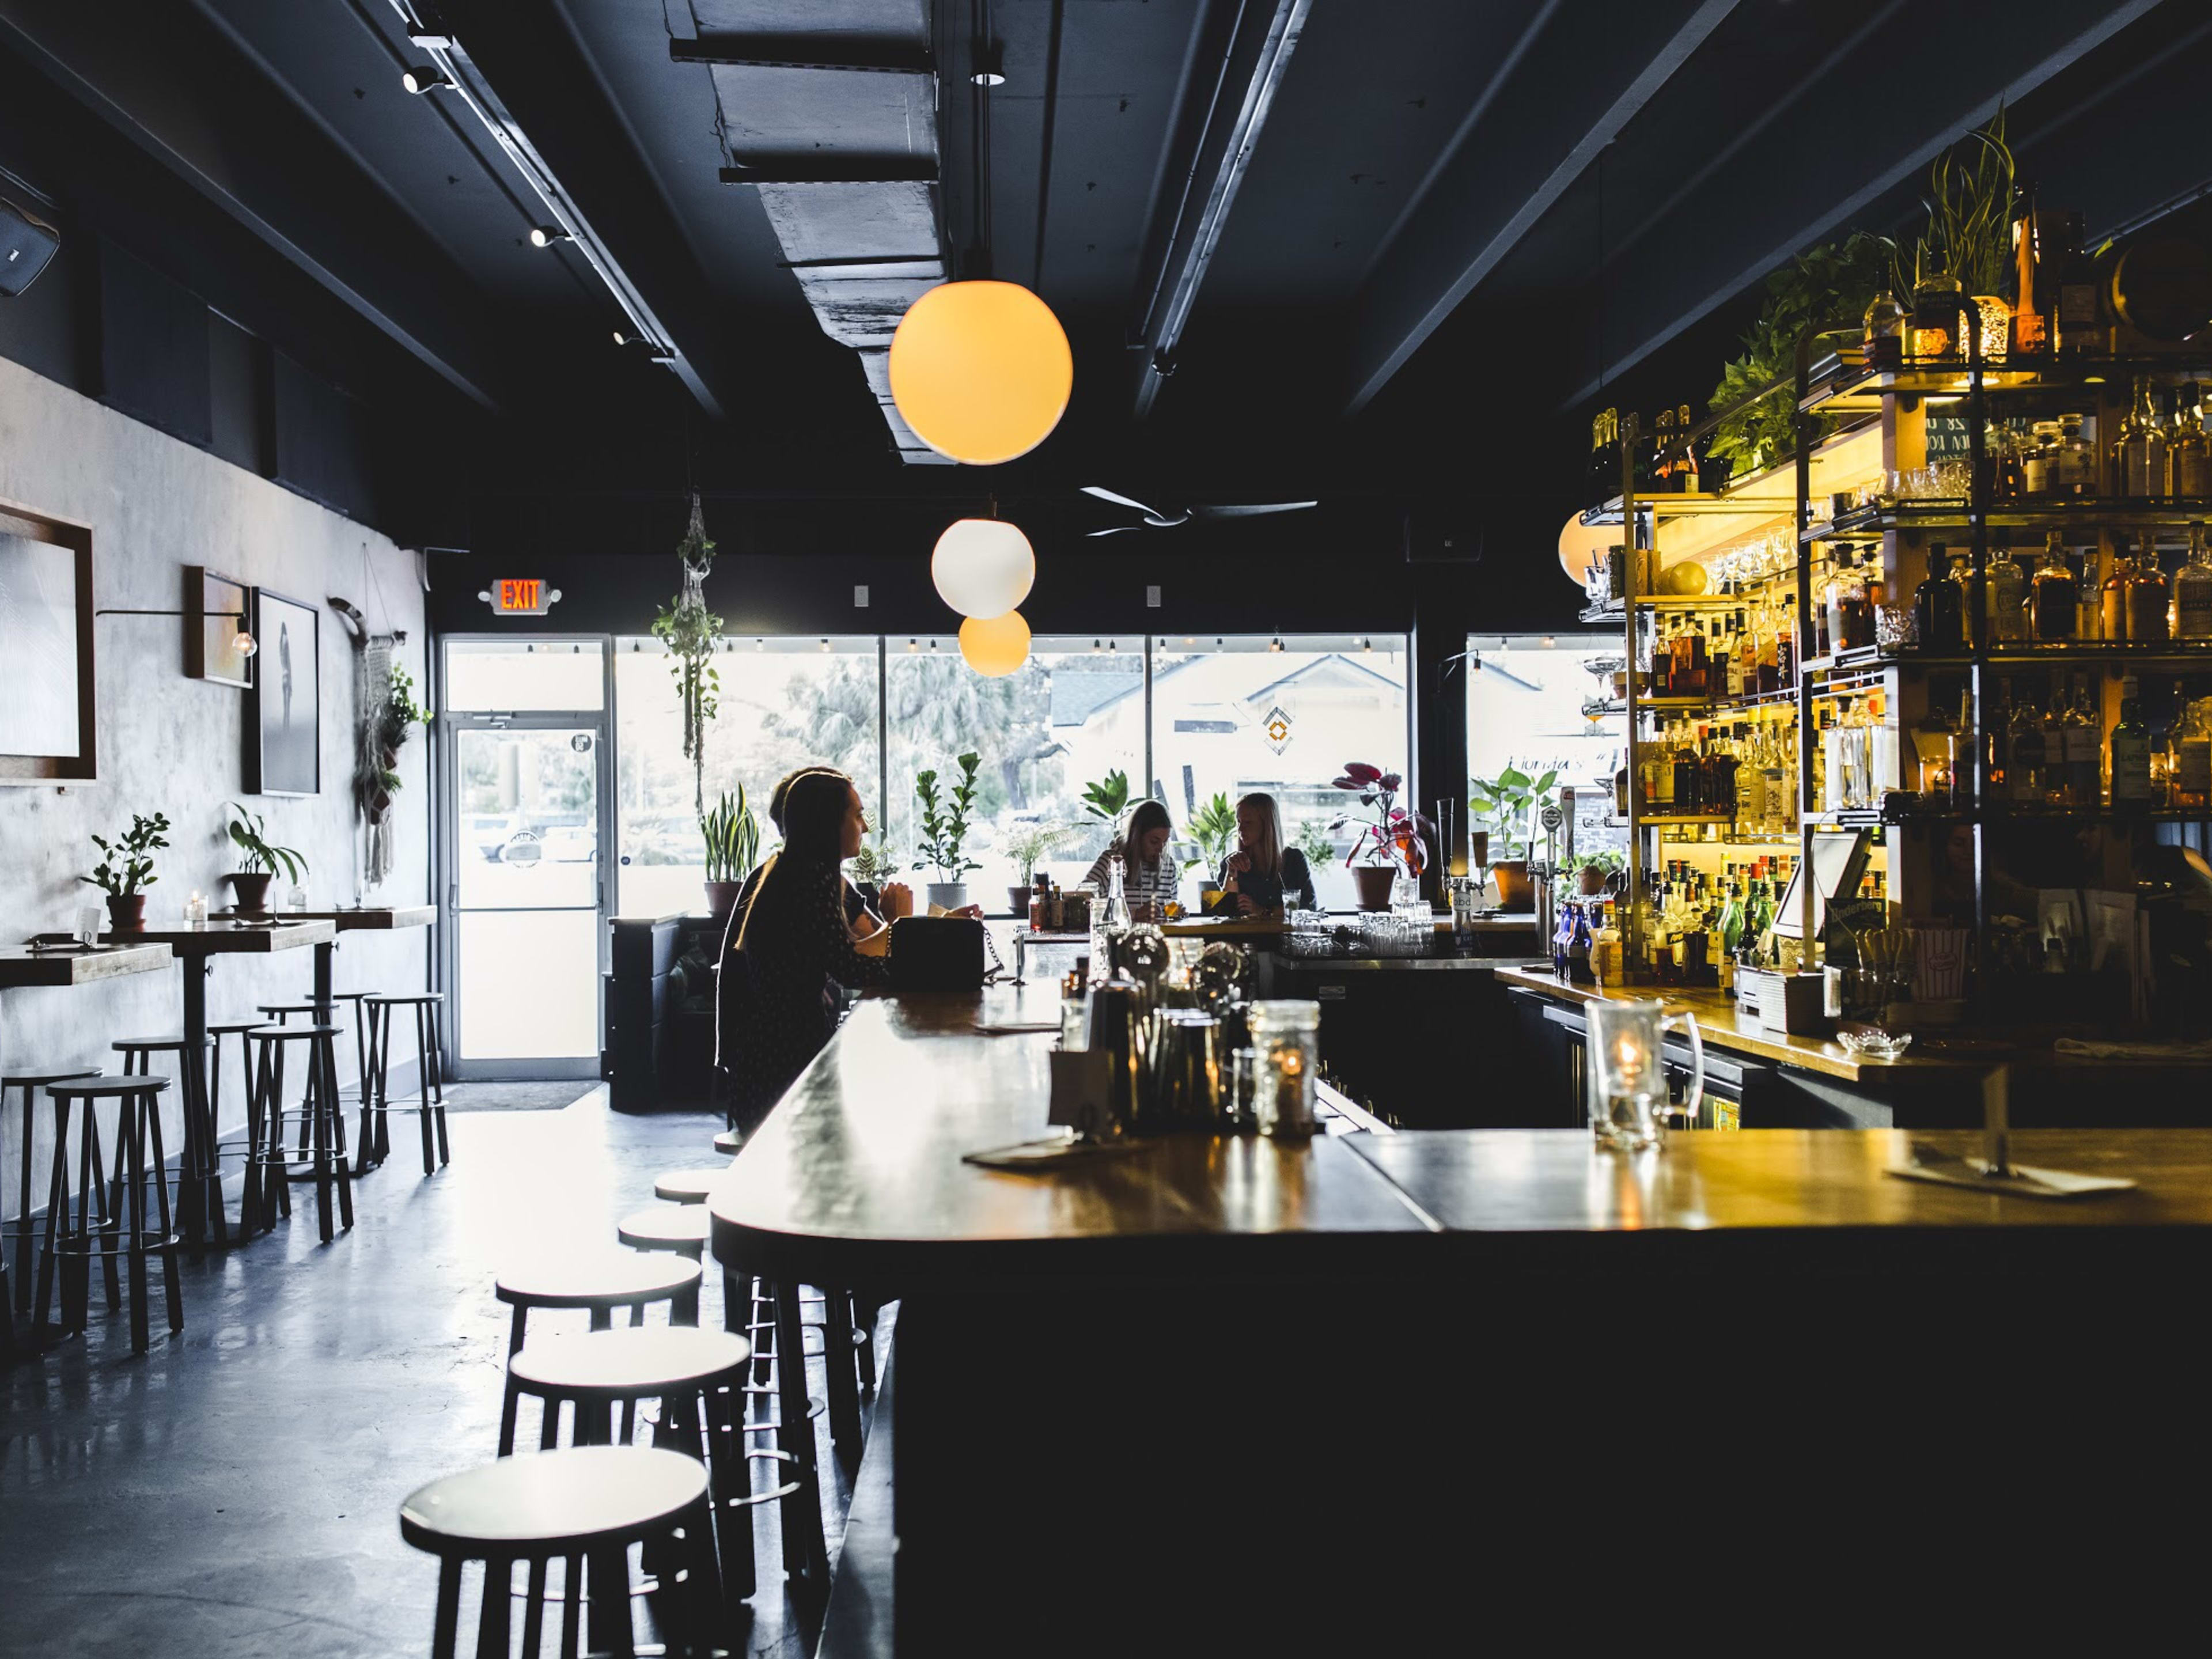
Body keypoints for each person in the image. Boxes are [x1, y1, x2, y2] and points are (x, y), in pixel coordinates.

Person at [718, 769, 907, 1116]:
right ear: (828, 822)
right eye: (858, 815)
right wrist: (911, 961)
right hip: (784, 1062)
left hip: (768, 1056)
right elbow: (848, 967)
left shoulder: (789, 870)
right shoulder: (811, 879)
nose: (864, 827)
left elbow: (846, 955)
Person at [1213, 792, 1316, 915]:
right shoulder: (1232, 863)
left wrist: (1263, 910)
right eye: (1239, 822)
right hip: (1246, 934)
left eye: (1248, 822)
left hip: (1285, 933)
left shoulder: (1293, 860)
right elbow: (1225, 912)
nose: (1240, 829)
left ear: (1267, 824)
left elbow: (1309, 907)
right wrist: (1232, 871)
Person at [1081, 798, 1179, 921]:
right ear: (1136, 836)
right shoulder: (1111, 862)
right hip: (1116, 938)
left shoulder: (1169, 867)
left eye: (1165, 842)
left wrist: (1176, 912)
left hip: (1157, 938)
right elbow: (1081, 906)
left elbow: (1169, 911)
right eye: (1154, 842)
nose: (1160, 849)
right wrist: (1134, 914)